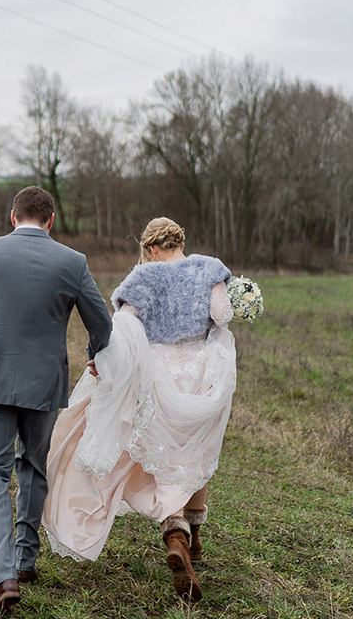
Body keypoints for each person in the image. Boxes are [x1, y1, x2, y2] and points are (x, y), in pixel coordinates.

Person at [42, 217, 235, 602]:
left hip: (158, 375)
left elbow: (120, 328)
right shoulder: (209, 268)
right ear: (180, 241)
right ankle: (191, 541)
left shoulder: (142, 279)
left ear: (150, 248)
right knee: (193, 453)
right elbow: (223, 315)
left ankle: (175, 529)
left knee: (161, 456)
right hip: (201, 374)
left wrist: (101, 361)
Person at [0, 185, 112, 614]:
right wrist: (95, 358)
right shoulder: (73, 262)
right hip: (44, 385)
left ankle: (3, 576)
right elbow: (102, 323)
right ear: (51, 220)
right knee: (34, 467)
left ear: (12, 217)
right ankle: (23, 561)